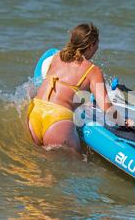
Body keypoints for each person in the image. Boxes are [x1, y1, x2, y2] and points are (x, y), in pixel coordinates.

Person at [28, 23, 129, 152]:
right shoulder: (93, 71)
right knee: (77, 164)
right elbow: (107, 110)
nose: (97, 48)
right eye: (97, 44)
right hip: (57, 119)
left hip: (35, 113)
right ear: (91, 45)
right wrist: (124, 122)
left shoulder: (56, 57)